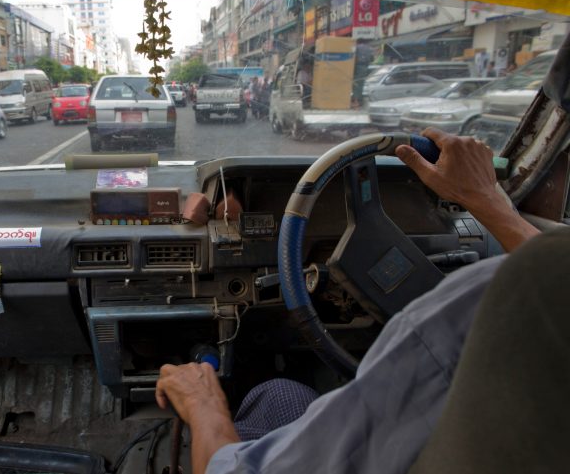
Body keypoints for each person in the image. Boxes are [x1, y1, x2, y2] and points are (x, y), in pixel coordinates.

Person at [155, 127, 542, 474]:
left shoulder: (445, 328)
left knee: (280, 392)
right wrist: (487, 199)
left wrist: (201, 401)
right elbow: (553, 271)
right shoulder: (540, 311)